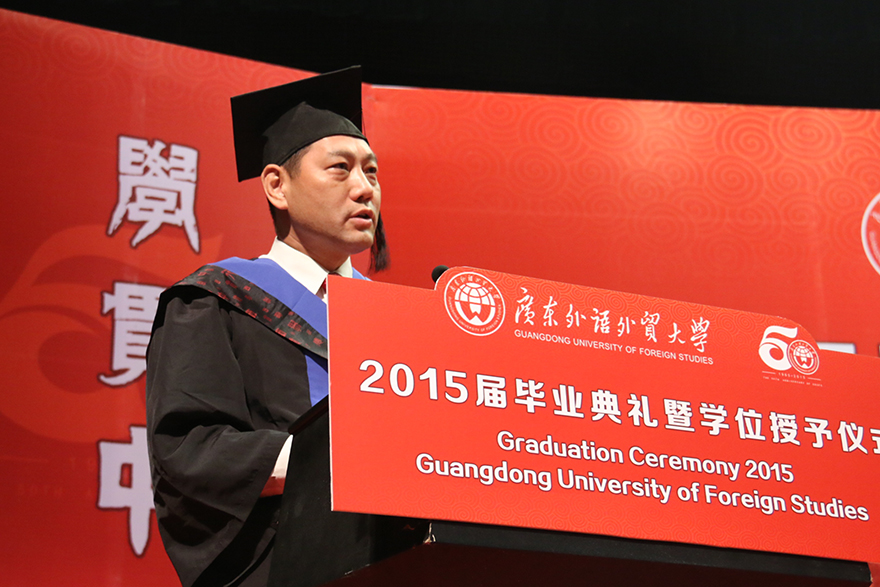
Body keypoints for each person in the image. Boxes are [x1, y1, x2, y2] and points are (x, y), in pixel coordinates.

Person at [146, 67, 387, 587]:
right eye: (340, 169)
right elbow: (189, 450)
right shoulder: (215, 301)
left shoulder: (395, 318)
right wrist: (331, 462)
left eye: (372, 172)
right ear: (277, 185)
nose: (364, 189)